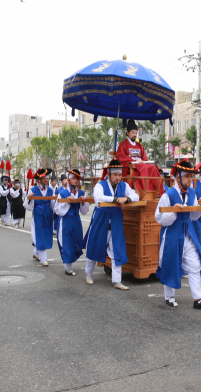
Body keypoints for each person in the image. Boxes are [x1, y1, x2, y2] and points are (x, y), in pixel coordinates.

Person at [155, 159, 201, 309]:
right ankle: (169, 296)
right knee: (170, 263)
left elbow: (193, 217)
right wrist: (174, 211)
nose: (190, 179)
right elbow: (159, 217)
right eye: (187, 176)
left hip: (188, 234)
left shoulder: (192, 192)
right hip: (172, 234)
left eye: (191, 176)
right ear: (178, 177)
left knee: (195, 265)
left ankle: (198, 299)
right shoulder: (168, 195)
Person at [83, 158, 139, 290]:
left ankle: (117, 281)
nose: (118, 177)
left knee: (117, 250)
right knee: (94, 247)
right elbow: (98, 198)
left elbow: (136, 195)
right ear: (109, 174)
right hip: (101, 220)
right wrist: (116, 199)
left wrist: (126, 198)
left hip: (116, 221)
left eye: (120, 175)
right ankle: (88, 274)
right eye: (116, 175)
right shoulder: (100, 185)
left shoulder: (123, 186)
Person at [54, 169, 90, 275]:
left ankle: (72, 261)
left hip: (76, 220)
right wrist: (67, 202)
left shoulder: (81, 193)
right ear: (69, 179)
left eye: (77, 179)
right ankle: (68, 267)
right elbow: (57, 209)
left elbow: (84, 212)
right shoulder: (63, 193)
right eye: (74, 179)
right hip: (66, 220)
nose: (76, 181)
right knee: (67, 241)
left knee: (77, 240)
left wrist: (83, 203)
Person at [116, 119, 164, 196]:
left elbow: (144, 158)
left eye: (136, 133)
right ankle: (143, 193)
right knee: (143, 168)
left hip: (140, 164)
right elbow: (120, 157)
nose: (134, 135)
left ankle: (156, 192)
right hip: (131, 166)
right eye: (132, 133)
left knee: (153, 168)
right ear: (127, 133)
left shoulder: (139, 145)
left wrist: (142, 161)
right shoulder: (123, 144)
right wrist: (134, 160)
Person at [23, 168, 55, 266]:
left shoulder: (50, 190)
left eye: (47, 177)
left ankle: (36, 253)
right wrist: (29, 198)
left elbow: (53, 205)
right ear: (39, 179)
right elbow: (28, 207)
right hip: (37, 215)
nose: (46, 179)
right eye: (44, 178)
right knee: (39, 235)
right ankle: (43, 259)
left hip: (48, 215)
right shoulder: (33, 189)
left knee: (46, 235)